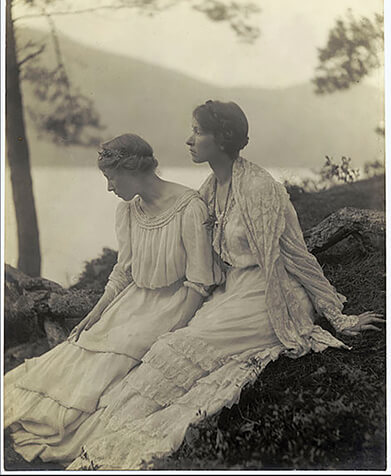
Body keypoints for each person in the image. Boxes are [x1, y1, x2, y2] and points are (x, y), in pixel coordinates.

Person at [66, 100, 384, 471]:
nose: (190, 140)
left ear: (223, 139)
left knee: (177, 347)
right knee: (162, 350)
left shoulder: (260, 188)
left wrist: (338, 315)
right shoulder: (210, 188)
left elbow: (297, 256)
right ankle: (97, 440)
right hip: (232, 292)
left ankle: (124, 447)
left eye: (198, 132)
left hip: (269, 294)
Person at [4, 133, 221, 463]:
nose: (109, 187)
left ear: (132, 169)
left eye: (110, 177)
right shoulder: (128, 211)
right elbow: (123, 272)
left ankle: (68, 422)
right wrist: (96, 314)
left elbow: (199, 281)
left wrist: (174, 330)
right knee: (79, 350)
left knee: (116, 355)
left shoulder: (189, 207)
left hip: (173, 303)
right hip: (132, 302)